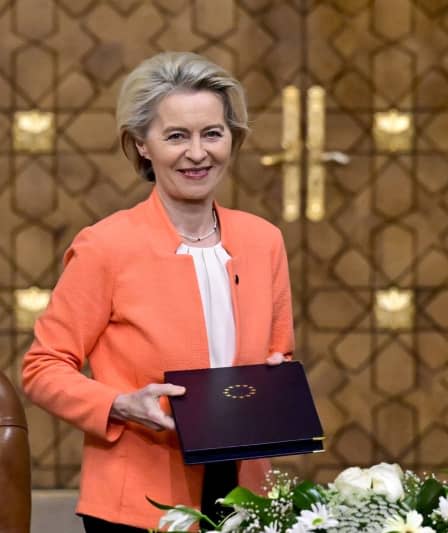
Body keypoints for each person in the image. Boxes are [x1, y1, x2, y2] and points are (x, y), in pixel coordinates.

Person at [21, 52, 295, 532]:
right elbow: (43, 368)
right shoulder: (106, 245)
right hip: (137, 500)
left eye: (212, 133)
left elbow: (278, 353)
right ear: (142, 146)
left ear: (233, 139)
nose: (197, 153)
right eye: (176, 136)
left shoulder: (263, 239)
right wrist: (118, 404)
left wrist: (276, 377)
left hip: (247, 494)